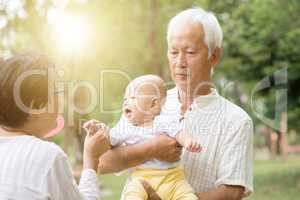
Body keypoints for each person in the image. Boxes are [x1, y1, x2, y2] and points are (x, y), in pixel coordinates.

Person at [98, 7, 254, 200]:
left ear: (213, 56)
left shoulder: (236, 121)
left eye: (190, 52)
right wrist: (152, 148)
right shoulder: (145, 103)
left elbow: (232, 192)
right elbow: (103, 163)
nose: (180, 62)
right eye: (173, 52)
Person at [0, 51, 109, 199]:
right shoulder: (47, 155)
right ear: (35, 106)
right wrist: (91, 159)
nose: (61, 100)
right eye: (58, 92)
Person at [85, 75, 201, 199]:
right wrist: (98, 129)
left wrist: (188, 141)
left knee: (188, 195)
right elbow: (108, 141)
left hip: (173, 178)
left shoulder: (164, 121)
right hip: (141, 178)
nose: (126, 102)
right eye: (125, 99)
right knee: (133, 193)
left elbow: (179, 132)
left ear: (154, 104)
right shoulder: (126, 127)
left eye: (133, 98)